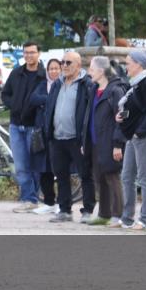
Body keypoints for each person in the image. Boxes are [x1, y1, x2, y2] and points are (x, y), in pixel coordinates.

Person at [114, 50, 146, 231]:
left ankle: (145, 220)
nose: (125, 67)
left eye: (128, 63)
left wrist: (140, 132)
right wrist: (122, 116)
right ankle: (127, 218)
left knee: (145, 177)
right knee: (127, 176)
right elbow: (138, 109)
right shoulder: (135, 85)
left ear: (139, 65)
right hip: (134, 135)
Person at [45, 52, 94, 222]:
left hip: (77, 138)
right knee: (61, 175)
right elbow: (50, 108)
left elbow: (89, 112)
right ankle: (64, 210)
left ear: (78, 65)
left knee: (85, 174)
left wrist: (85, 137)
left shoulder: (86, 84)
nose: (64, 66)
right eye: (62, 62)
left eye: (68, 62)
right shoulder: (57, 84)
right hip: (57, 138)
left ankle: (87, 211)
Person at [1, 41, 46, 213]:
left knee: (34, 164)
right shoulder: (16, 73)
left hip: (35, 126)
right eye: (26, 52)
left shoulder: (43, 75)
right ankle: (29, 198)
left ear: (38, 54)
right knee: (20, 165)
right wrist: (15, 105)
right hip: (16, 125)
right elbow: (5, 94)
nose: (29, 55)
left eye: (32, 52)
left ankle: (31, 198)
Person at [82, 56, 126, 225]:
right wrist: (84, 141)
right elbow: (88, 117)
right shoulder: (93, 89)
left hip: (109, 141)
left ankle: (118, 215)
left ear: (101, 71)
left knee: (112, 177)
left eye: (91, 69)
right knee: (99, 177)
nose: (89, 72)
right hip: (95, 141)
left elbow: (120, 120)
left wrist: (117, 144)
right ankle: (104, 213)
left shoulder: (115, 91)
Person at [30, 58, 62, 214]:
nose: (54, 71)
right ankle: (49, 203)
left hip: (59, 134)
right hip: (43, 135)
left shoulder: (64, 85)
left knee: (60, 169)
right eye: (51, 69)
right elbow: (33, 99)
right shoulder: (43, 85)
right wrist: (49, 100)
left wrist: (46, 103)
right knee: (44, 170)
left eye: (56, 68)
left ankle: (63, 204)